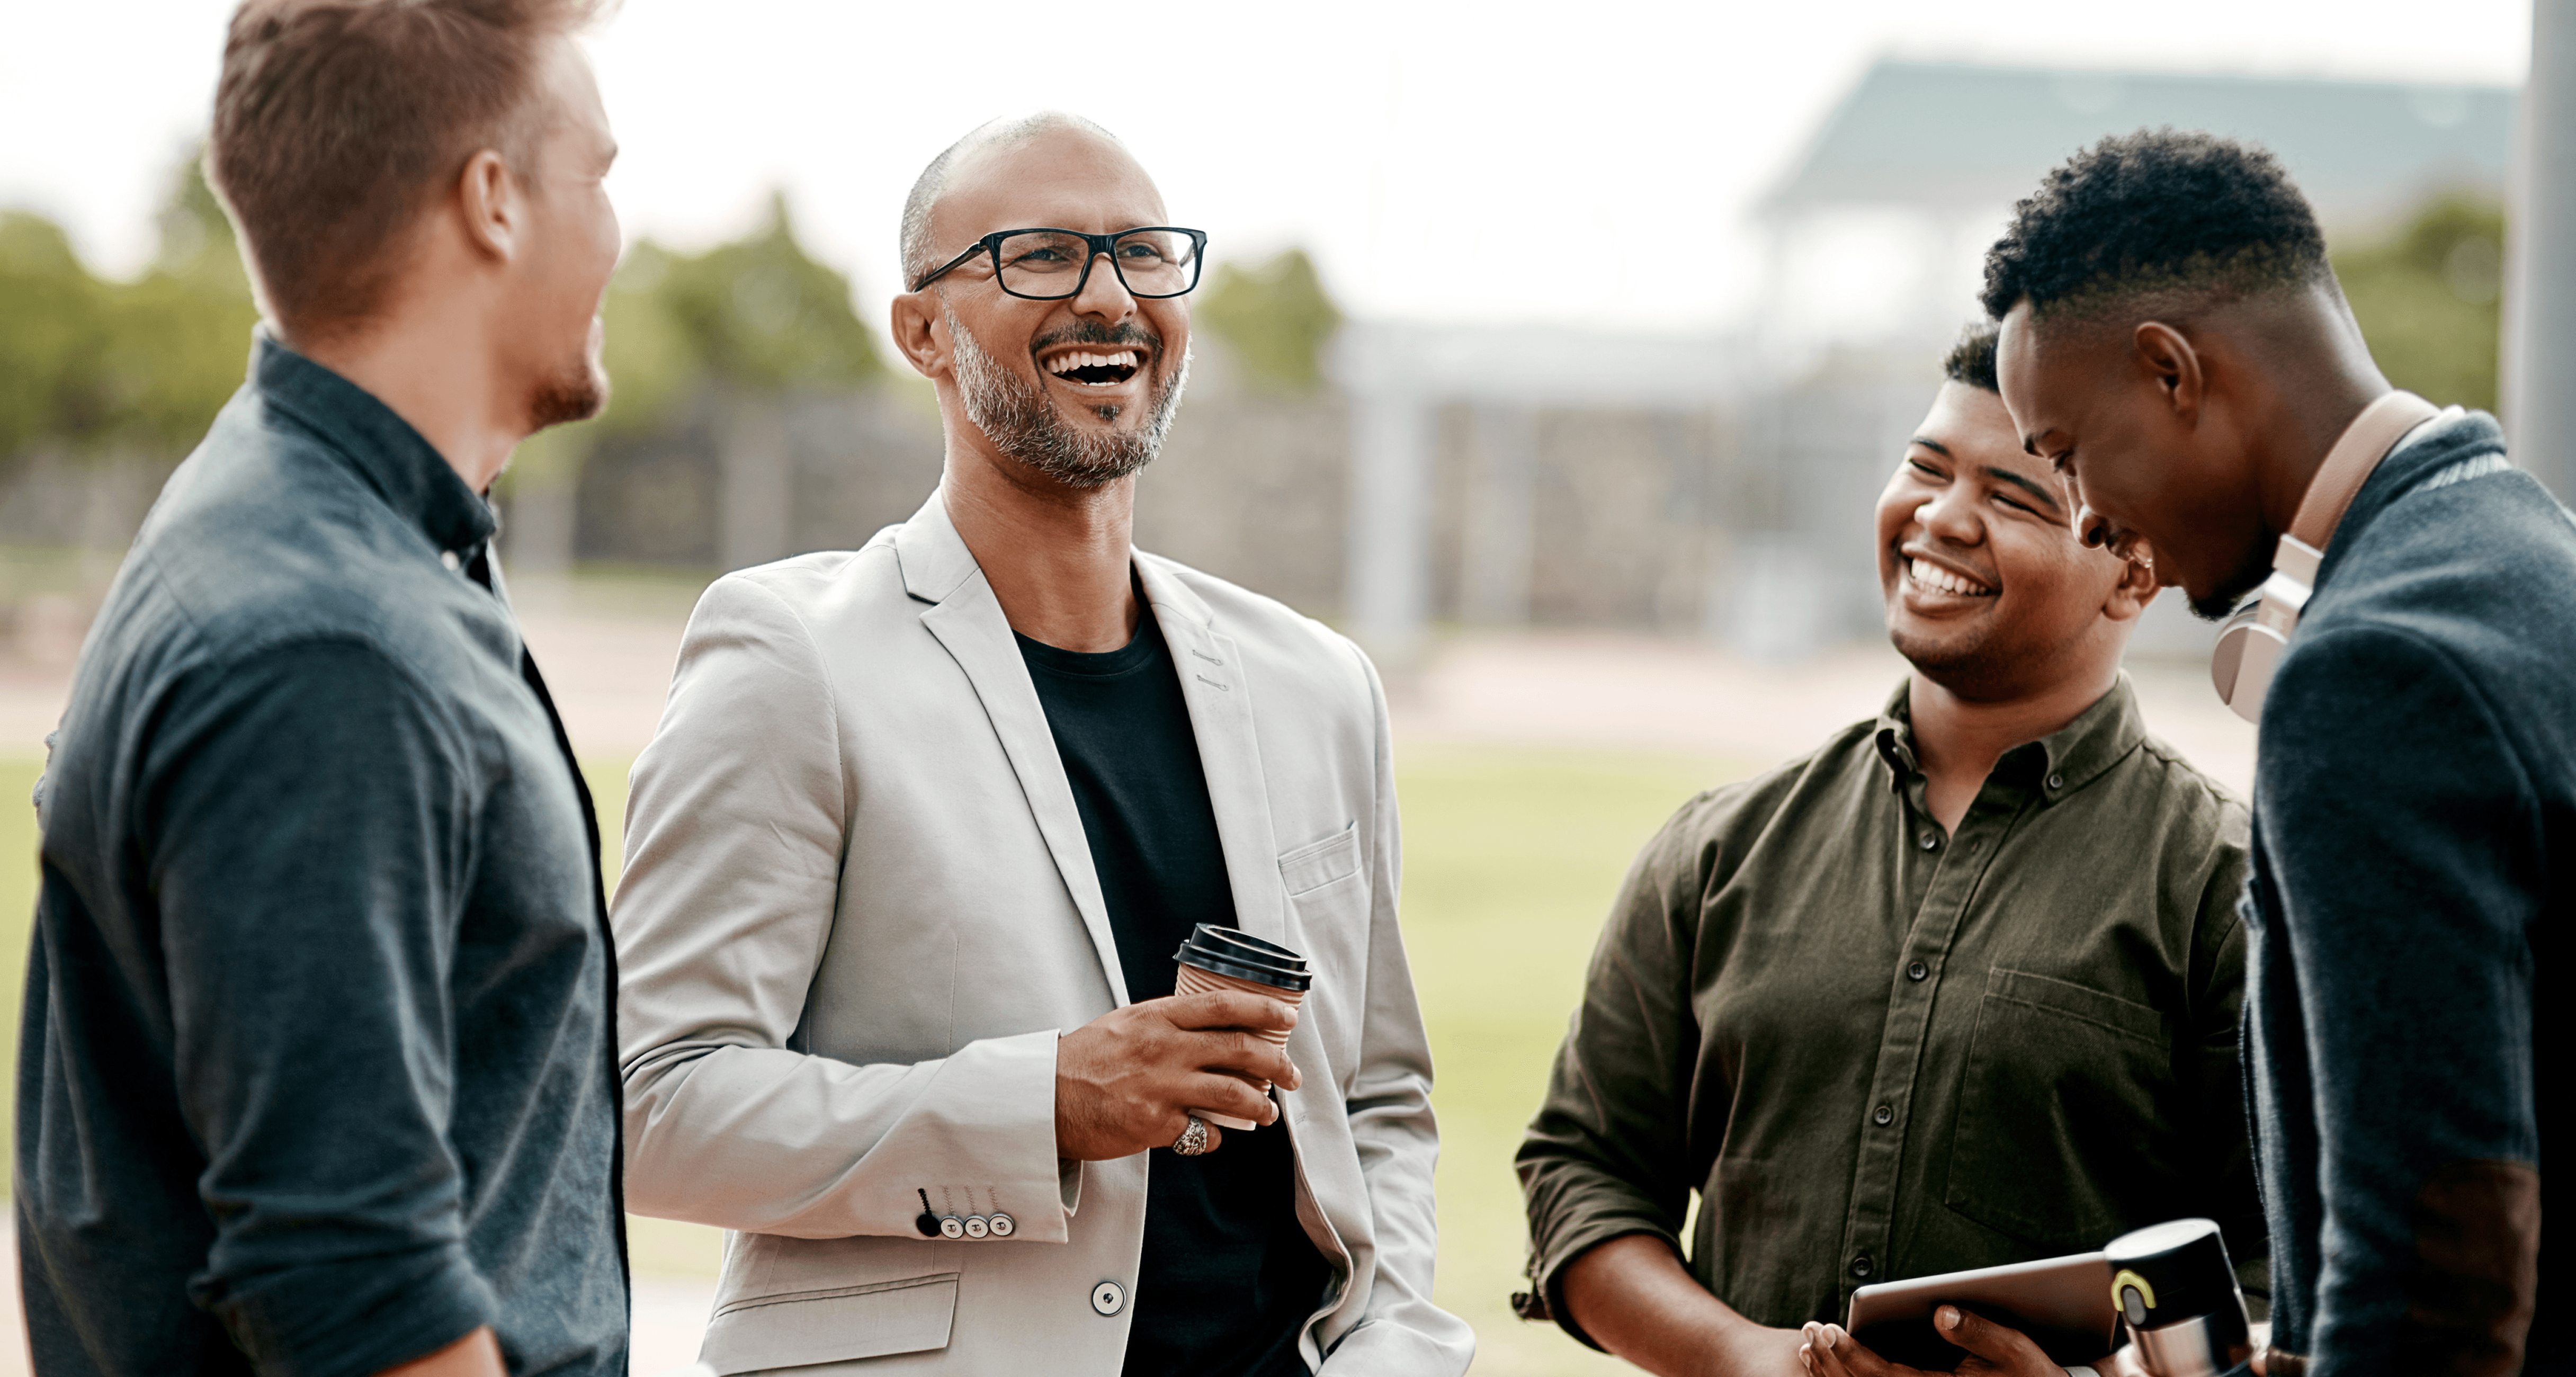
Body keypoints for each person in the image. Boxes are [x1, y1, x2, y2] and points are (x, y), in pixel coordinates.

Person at [610, 112, 1472, 1376]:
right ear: (921, 333)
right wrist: (1043, 1104)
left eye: (1141, 255)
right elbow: (649, 1104)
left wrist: (1392, 1348)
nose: (1108, 297)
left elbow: (1378, 1105)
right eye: (1041, 257)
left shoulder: (1319, 683)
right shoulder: (793, 658)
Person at [15, 3, 628, 1374]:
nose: (616, 234)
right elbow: (348, 1281)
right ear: (494, 203)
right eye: (599, 175)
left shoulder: (339, 533)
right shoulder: (327, 639)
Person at [1516, 323, 2264, 1377]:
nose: (1941, 517)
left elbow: (2286, 1272)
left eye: (2013, 496)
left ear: (2134, 569)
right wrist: (1742, 1357)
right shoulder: (1718, 848)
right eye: (1924, 467)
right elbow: (1580, 1174)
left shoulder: (2227, 891)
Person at [1989, 130, 2565, 1377]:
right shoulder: (2523, 556)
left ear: (2169, 371)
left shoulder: (2373, 672)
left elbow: (2435, 1282)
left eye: (2065, 453)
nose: (2086, 515)